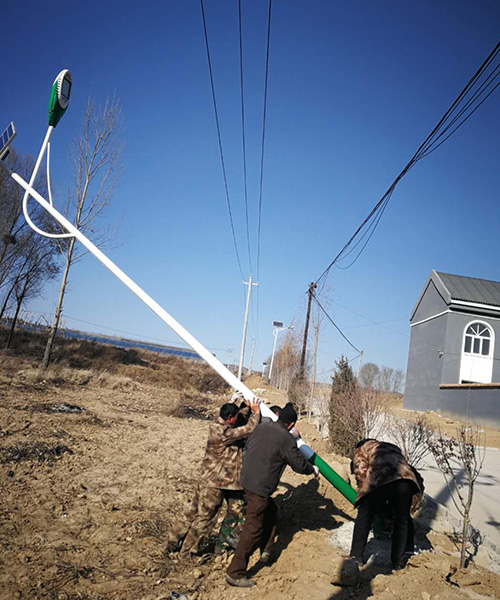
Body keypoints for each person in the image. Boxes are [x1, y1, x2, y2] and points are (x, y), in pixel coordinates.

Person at [225, 403, 318, 588]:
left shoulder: (263, 426)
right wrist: (312, 469)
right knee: (253, 527)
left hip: (246, 479)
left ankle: (267, 550)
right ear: (291, 425)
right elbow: (298, 464)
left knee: (271, 510)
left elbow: (251, 445)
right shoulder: (286, 438)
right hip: (259, 488)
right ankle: (235, 572)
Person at [166, 397, 261, 557]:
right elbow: (248, 429)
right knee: (205, 518)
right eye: (235, 417)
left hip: (206, 478)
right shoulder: (225, 433)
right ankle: (187, 553)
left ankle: (170, 544)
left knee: (191, 512)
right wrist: (256, 413)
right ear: (230, 419)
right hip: (216, 483)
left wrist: (245, 408)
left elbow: (238, 421)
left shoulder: (217, 423)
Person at [349, 438, 424, 571]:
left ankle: (356, 557)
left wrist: (362, 492)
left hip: (379, 478)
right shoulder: (392, 447)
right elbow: (411, 472)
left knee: (365, 515)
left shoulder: (361, 449)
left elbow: (360, 471)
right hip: (405, 482)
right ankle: (398, 562)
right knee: (402, 519)